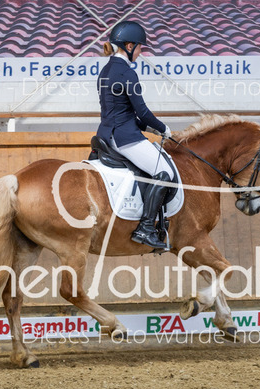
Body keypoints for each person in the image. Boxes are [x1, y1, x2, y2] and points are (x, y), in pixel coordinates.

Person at [97, 21, 174, 250]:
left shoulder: (105, 71)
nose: (140, 52)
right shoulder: (127, 74)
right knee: (165, 173)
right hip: (125, 138)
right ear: (129, 46)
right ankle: (146, 228)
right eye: (140, 47)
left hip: (107, 135)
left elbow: (120, 112)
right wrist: (163, 128)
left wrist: (148, 128)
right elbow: (142, 112)